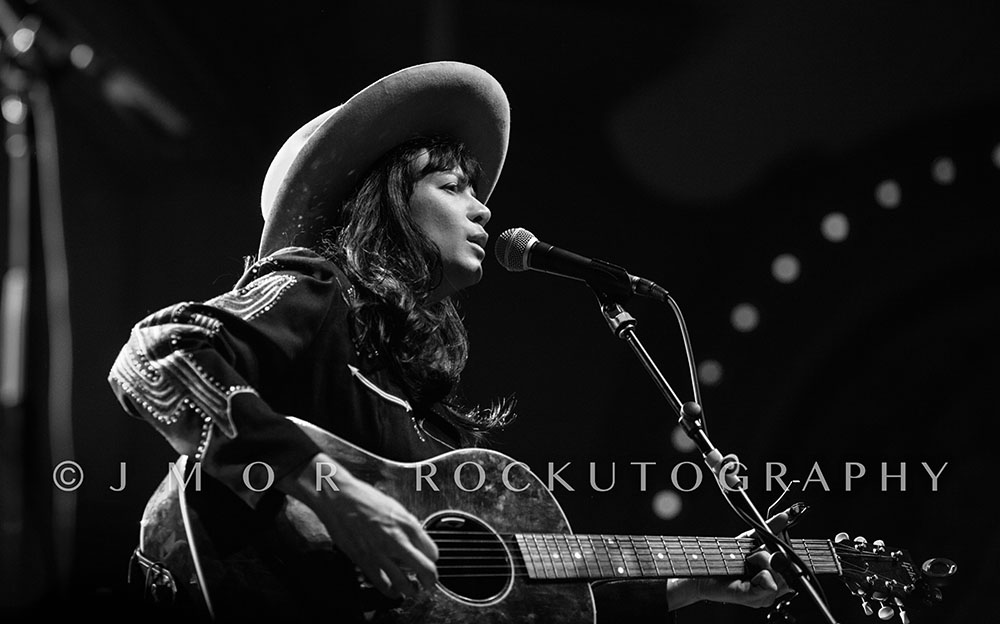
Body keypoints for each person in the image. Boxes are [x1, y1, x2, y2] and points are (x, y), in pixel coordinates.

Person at [108, 61, 790, 622]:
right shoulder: (313, 292)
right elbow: (160, 356)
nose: (485, 207)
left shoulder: (426, 420)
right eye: (452, 185)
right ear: (389, 201)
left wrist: (692, 583)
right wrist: (335, 493)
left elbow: (510, 595)